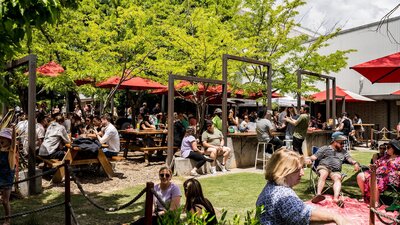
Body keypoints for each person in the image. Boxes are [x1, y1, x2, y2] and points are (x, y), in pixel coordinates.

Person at [256, 148, 351, 225]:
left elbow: (299, 210)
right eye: (297, 170)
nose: (302, 173)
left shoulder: (272, 186)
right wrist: (336, 216)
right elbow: (305, 215)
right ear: (283, 173)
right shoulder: (284, 195)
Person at [305, 132, 360, 207]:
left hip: (335, 171)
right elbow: (313, 157)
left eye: (343, 143)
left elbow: (350, 159)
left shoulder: (343, 152)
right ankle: (318, 195)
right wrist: (308, 159)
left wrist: (355, 163)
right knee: (324, 173)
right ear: (334, 141)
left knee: (337, 178)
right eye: (341, 143)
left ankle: (336, 198)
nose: (343, 145)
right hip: (324, 167)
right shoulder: (325, 148)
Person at [356, 139, 400, 204]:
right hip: (377, 173)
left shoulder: (398, 158)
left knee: (373, 179)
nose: (386, 149)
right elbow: (376, 163)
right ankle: (365, 197)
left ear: (394, 149)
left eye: (388, 147)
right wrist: (372, 166)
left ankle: (376, 202)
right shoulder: (385, 156)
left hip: (390, 177)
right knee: (360, 176)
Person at [0, 128, 16, 225]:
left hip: (6, 178)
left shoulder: (11, 151)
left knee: (5, 201)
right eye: (0, 137)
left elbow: (14, 142)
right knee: (3, 200)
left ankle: (8, 220)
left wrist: (13, 131)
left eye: (3, 138)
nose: (1, 139)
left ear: (9, 140)